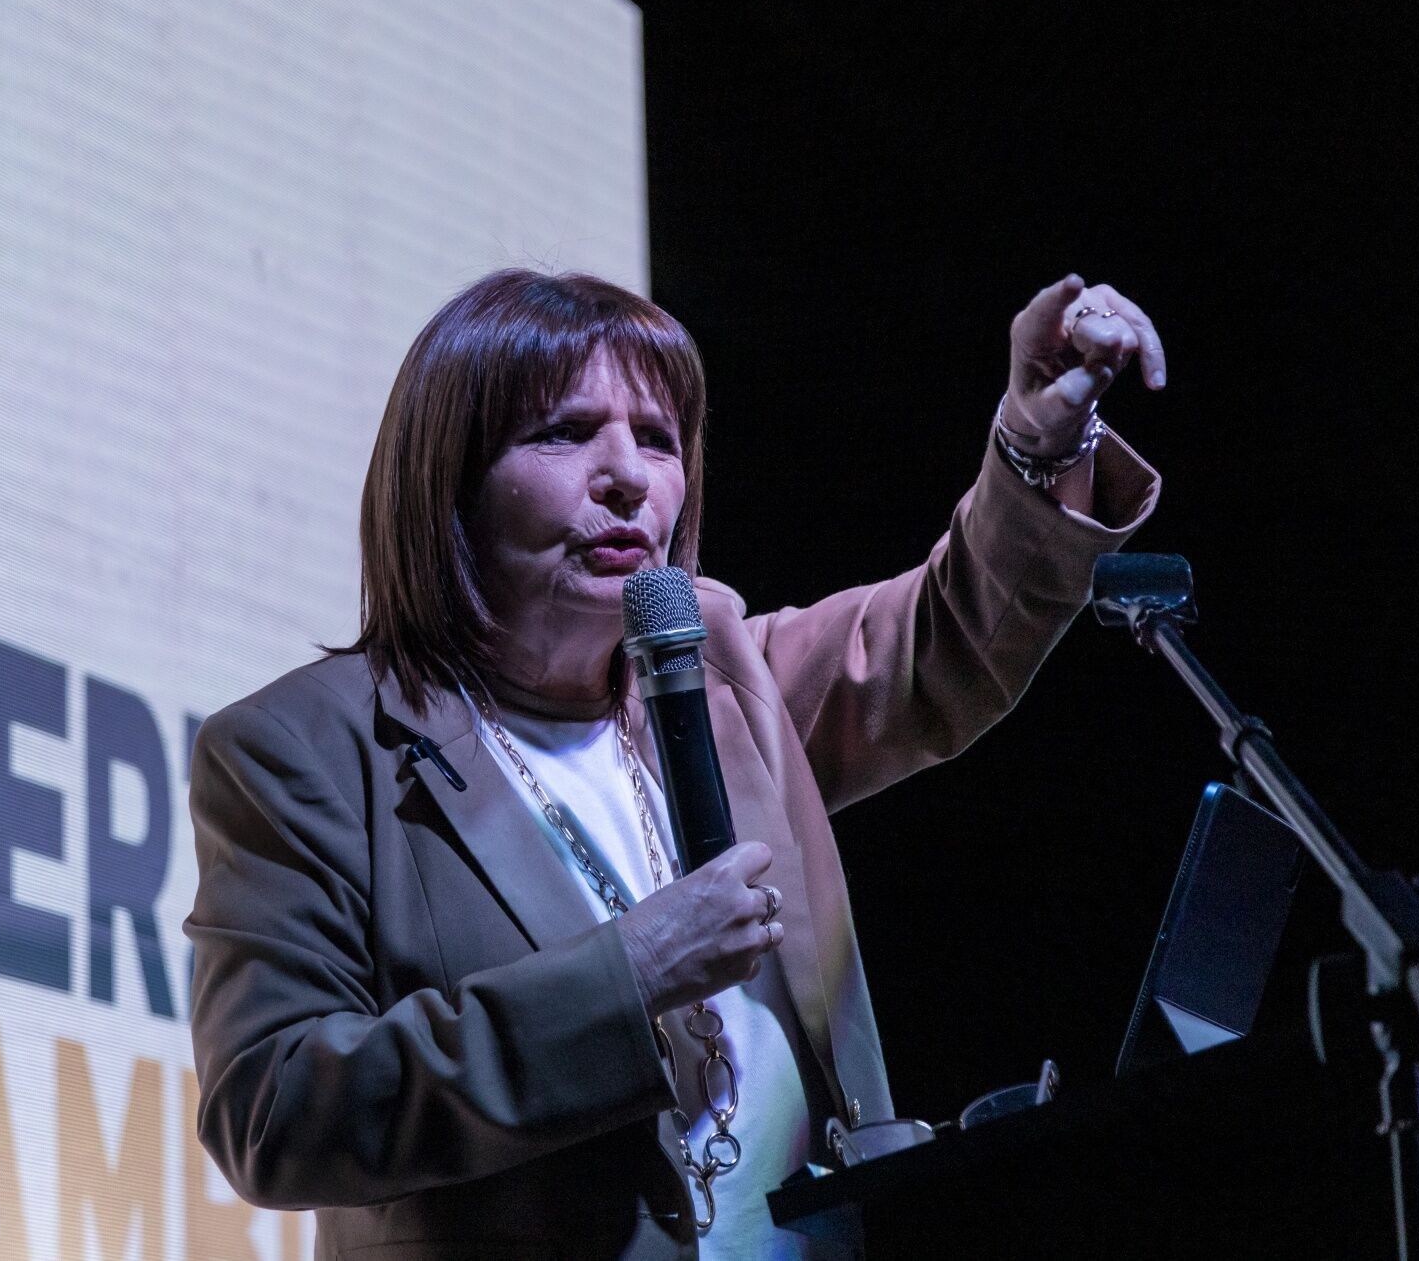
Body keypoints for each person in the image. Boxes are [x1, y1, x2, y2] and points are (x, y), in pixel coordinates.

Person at [185, 268, 1164, 1259]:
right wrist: (629, 972)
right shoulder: (304, 750)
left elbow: (945, 634)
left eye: (656, 438)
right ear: (449, 479)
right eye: (564, 432)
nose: (628, 476)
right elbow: (272, 1111)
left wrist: (1038, 445)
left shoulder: (725, 675)